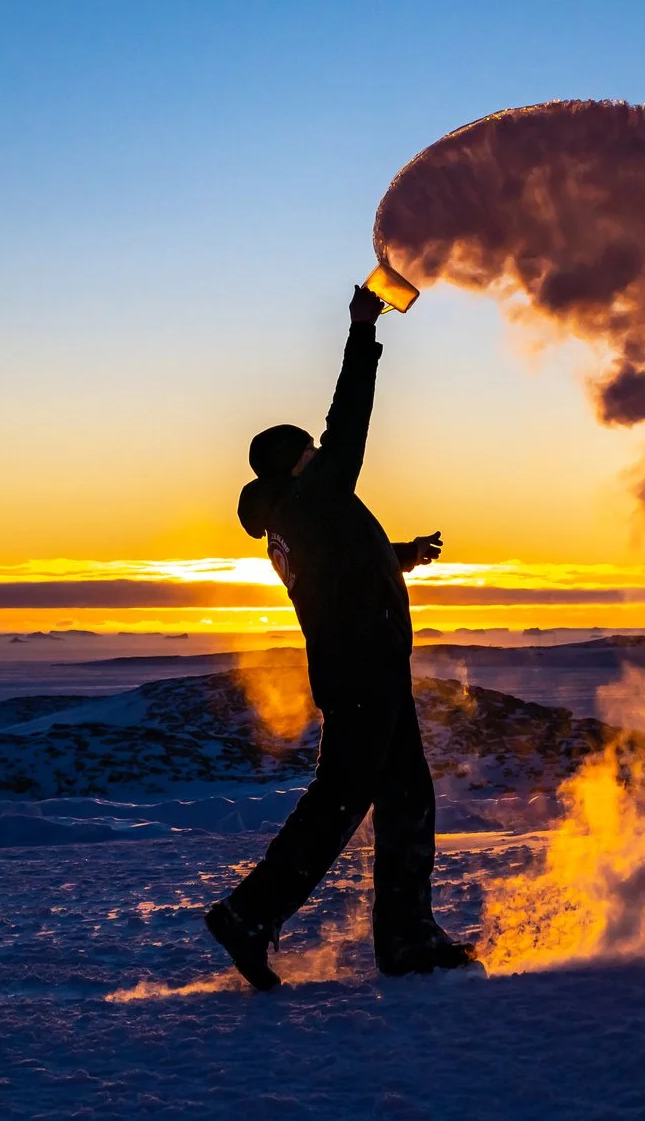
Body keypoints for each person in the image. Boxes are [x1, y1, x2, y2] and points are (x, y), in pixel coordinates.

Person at [204, 282, 477, 988]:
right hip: (365, 670)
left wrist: (406, 553)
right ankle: (253, 913)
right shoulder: (314, 496)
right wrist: (362, 330)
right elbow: (349, 417)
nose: (323, 452)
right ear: (297, 461)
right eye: (313, 451)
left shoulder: (301, 517)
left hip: (364, 667)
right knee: (344, 798)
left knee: (401, 795)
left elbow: (350, 565)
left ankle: (404, 936)